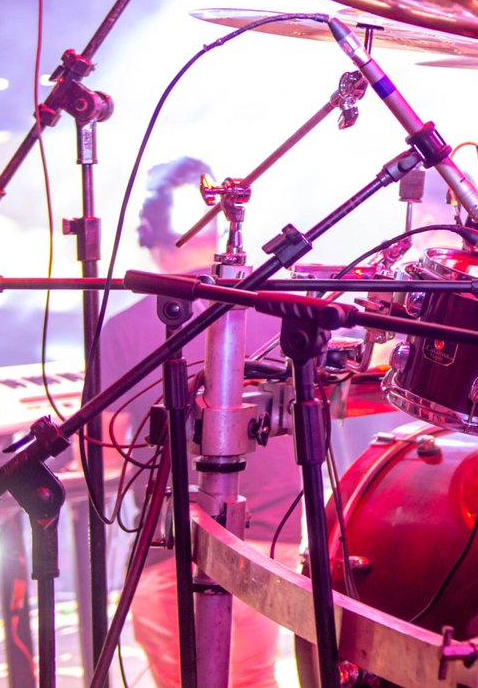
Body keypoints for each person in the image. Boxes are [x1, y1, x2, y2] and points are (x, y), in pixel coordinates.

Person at [99, 158, 301, 688]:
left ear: (147, 233)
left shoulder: (125, 329)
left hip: (183, 546)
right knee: (253, 678)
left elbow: (103, 456)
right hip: (279, 539)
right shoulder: (277, 309)